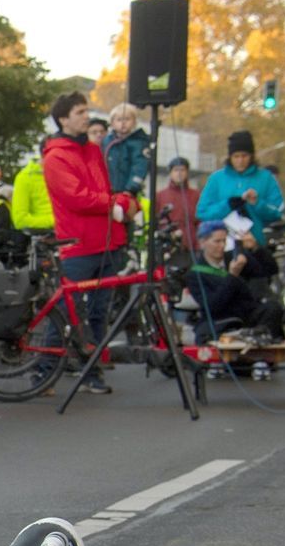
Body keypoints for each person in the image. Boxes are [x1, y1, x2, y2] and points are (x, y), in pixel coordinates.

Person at [41, 90, 135, 394]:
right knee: (66, 312)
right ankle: (42, 374)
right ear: (64, 119)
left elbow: (103, 190)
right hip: (78, 245)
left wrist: (119, 201)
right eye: (80, 112)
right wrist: (115, 203)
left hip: (106, 242)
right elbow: (76, 198)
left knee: (98, 313)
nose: (86, 116)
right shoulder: (55, 157)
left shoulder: (94, 150)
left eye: (86, 111)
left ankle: (91, 372)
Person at [188, 222, 283, 336]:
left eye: (224, 241)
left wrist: (256, 249)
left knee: (273, 308)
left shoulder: (234, 258)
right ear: (203, 243)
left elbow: (270, 270)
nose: (222, 245)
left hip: (247, 315)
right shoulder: (195, 274)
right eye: (217, 241)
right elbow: (212, 305)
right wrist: (232, 276)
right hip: (221, 320)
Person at [195, 130, 285, 231]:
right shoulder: (216, 179)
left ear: (251, 156)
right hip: (225, 242)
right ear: (230, 157)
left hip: (259, 240)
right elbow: (202, 213)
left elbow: (278, 212)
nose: (240, 161)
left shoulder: (266, 178)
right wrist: (228, 205)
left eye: (244, 156)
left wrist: (257, 203)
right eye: (236, 156)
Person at [103, 103, 153, 197]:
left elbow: (140, 167)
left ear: (134, 122)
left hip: (128, 192)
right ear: (112, 123)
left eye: (127, 119)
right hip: (107, 191)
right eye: (119, 120)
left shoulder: (139, 142)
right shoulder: (107, 141)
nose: (123, 123)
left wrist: (131, 188)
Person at [153, 157, 198, 251]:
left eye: (182, 170)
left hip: (191, 246)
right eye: (176, 170)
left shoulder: (196, 195)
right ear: (170, 173)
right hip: (167, 245)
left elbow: (200, 222)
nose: (179, 173)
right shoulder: (160, 196)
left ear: (187, 172)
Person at [10, 157, 54, 233]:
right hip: (43, 235)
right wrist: (56, 221)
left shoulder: (66, 172)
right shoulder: (24, 177)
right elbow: (20, 220)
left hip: (71, 231)